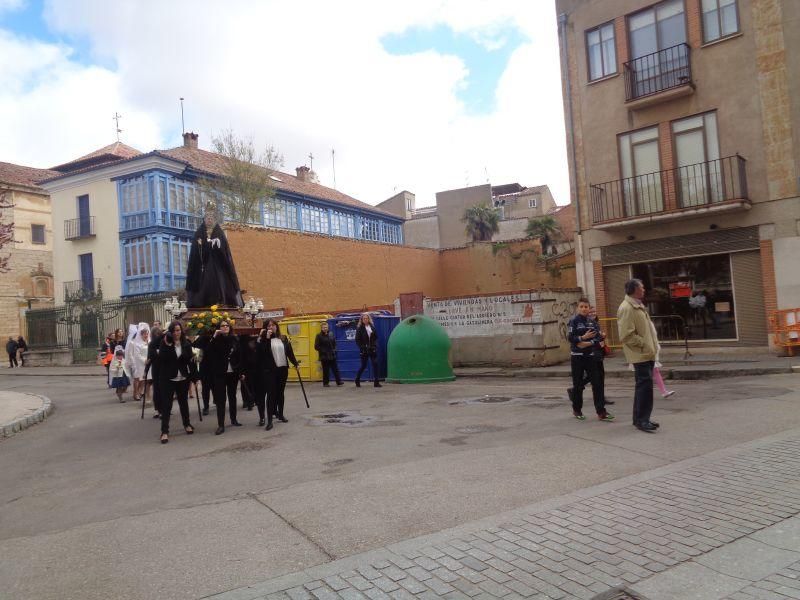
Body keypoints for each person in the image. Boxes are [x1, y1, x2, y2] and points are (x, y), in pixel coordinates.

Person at [618, 278, 660, 433]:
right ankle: (642, 420)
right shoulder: (627, 308)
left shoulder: (637, 305)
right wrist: (643, 344)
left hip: (646, 353)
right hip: (640, 354)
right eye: (642, 287)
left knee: (643, 387)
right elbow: (626, 335)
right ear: (634, 289)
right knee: (645, 388)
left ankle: (641, 418)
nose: (644, 289)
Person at [185, 205, 243, 308]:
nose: (209, 220)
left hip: (217, 264)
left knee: (219, 281)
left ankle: (220, 300)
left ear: (215, 220)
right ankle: (201, 301)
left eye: (212, 218)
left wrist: (217, 244)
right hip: (203, 265)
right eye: (208, 218)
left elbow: (224, 250)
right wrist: (205, 244)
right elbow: (195, 251)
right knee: (204, 282)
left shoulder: (219, 232)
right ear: (204, 220)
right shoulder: (199, 232)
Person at [567, 298, 612, 422]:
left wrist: (586, 342)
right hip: (577, 357)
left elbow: (597, 339)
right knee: (578, 384)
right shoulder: (573, 321)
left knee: (597, 383)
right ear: (578, 308)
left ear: (589, 308)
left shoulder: (592, 322)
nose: (584, 309)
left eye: (586, 307)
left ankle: (601, 412)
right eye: (581, 306)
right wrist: (582, 337)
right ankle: (577, 409)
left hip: (590, 356)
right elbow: (571, 338)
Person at [156, 320, 198, 444]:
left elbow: (190, 361)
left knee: (183, 403)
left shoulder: (186, 343)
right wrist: (168, 345)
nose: (176, 333)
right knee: (167, 405)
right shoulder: (165, 343)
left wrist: (194, 377)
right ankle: (164, 431)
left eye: (178, 330)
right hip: (168, 378)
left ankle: (187, 424)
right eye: (174, 331)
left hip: (183, 378)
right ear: (170, 332)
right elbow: (162, 359)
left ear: (181, 331)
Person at [256, 319, 298, 431]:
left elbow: (289, 352)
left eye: (273, 325)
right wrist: (266, 338)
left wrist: (295, 363)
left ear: (276, 326)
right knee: (271, 394)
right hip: (270, 371)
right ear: (265, 328)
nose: (271, 327)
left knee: (280, 393)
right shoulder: (263, 340)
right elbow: (261, 353)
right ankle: (269, 420)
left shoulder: (283, 338)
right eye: (269, 326)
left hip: (283, 369)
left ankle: (280, 414)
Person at [206, 320, 243, 435]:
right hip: (220, 374)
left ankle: (234, 419)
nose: (225, 327)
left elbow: (239, 356)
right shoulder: (216, 340)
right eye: (222, 326)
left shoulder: (234, 339)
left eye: (227, 325)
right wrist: (214, 336)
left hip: (232, 373)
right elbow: (208, 352)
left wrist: (240, 371)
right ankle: (221, 425)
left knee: (232, 397)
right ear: (219, 328)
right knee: (221, 400)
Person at [355, 313, 381, 388]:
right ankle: (357, 379)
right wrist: (362, 347)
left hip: (372, 349)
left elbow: (375, 337)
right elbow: (357, 340)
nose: (366, 320)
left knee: (375, 364)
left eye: (367, 318)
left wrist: (374, 345)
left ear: (369, 319)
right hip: (364, 350)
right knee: (363, 366)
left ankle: (376, 382)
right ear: (362, 320)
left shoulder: (372, 327)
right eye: (364, 319)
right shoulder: (359, 328)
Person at [315, 322, 342, 387]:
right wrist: (324, 351)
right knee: (326, 370)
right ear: (321, 328)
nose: (325, 329)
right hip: (324, 356)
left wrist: (335, 349)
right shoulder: (318, 336)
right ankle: (325, 383)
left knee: (335, 369)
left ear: (328, 327)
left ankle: (339, 382)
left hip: (332, 354)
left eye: (326, 327)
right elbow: (316, 346)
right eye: (323, 327)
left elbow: (334, 343)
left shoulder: (331, 334)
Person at [192, 332, 213, 415]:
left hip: (211, 366)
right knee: (206, 388)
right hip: (205, 366)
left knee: (209, 387)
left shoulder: (213, 338)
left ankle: (208, 406)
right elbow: (195, 352)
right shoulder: (200, 340)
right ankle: (206, 406)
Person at [146, 326, 164, 419]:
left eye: (159, 334)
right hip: (156, 369)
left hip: (164, 369)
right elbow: (149, 358)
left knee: (163, 390)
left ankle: (164, 409)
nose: (158, 336)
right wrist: (145, 371)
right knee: (156, 390)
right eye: (156, 334)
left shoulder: (164, 343)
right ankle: (158, 409)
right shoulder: (151, 344)